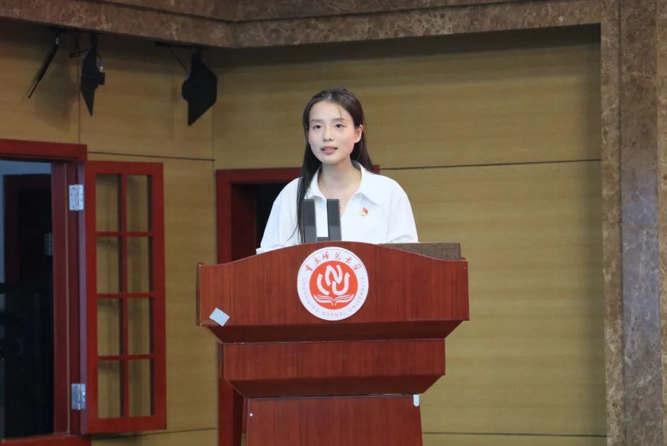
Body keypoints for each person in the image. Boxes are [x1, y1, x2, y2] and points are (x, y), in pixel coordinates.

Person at [257, 87, 418, 254]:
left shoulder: (388, 192)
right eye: (317, 127)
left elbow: (407, 259)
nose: (327, 136)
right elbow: (269, 261)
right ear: (308, 134)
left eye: (338, 126)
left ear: (357, 133)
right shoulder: (291, 195)